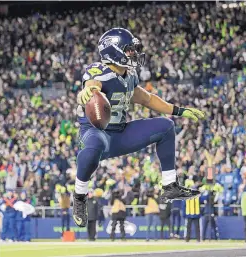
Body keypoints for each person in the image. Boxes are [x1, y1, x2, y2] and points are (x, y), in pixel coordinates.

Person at [73, 27, 204, 227]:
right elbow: (93, 84)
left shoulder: (129, 75)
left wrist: (178, 110)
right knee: (93, 149)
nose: (133, 53)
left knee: (166, 126)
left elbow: (147, 99)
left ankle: (170, 185)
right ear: (114, 50)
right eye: (129, 49)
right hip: (96, 133)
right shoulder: (99, 71)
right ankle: (80, 195)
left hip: (120, 134)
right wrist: (88, 91)